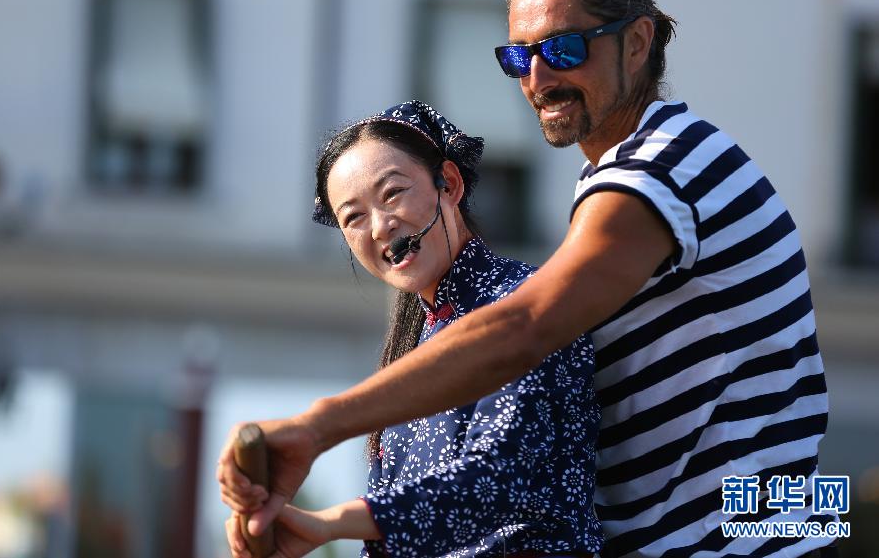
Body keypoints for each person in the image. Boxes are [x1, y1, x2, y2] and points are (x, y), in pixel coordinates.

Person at [218, 0, 837, 557]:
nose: (537, 79)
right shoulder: (628, 177)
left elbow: (525, 330)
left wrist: (317, 427)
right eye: (520, 57)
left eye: (564, 48)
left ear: (638, 42)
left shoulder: (664, 170)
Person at [223, 101, 604, 557]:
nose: (381, 227)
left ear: (450, 183)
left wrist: (329, 525)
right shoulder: (415, 344)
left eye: (392, 194)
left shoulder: (524, 304)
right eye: (354, 218)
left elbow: (501, 476)